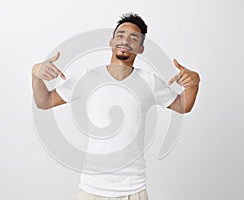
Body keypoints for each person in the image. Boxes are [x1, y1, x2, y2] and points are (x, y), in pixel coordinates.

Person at [32, 13, 200, 200]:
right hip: (91, 189)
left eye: (133, 38)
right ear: (111, 41)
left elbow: (182, 106)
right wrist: (35, 75)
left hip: (134, 189)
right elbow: (44, 101)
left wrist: (194, 83)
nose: (125, 40)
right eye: (120, 35)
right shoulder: (86, 77)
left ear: (141, 48)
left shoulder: (150, 82)